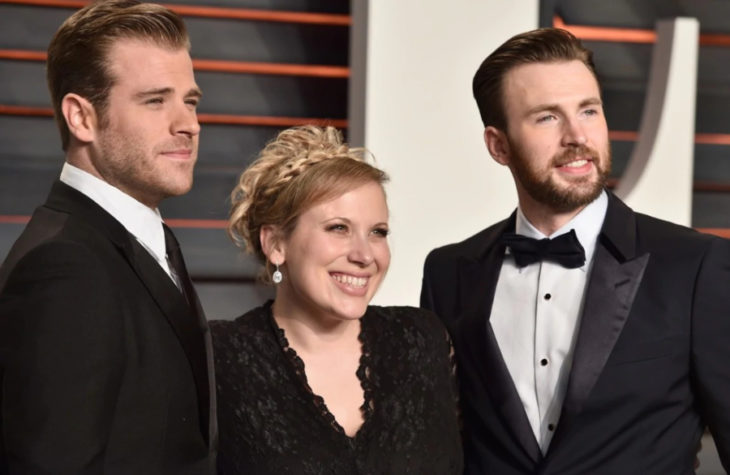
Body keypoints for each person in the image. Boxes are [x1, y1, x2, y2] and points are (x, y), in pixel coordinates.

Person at [420, 27, 730, 474]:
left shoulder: (695, 266)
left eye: (588, 110)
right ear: (498, 145)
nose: (577, 136)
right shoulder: (450, 272)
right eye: (547, 117)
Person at [0, 1, 215, 473]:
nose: (189, 125)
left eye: (191, 101)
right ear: (81, 118)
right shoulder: (61, 267)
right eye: (156, 100)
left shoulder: (144, 237)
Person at [211, 125, 462, 474]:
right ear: (276, 244)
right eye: (338, 228)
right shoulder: (218, 356)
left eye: (378, 232)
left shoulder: (421, 339)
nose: (364, 254)